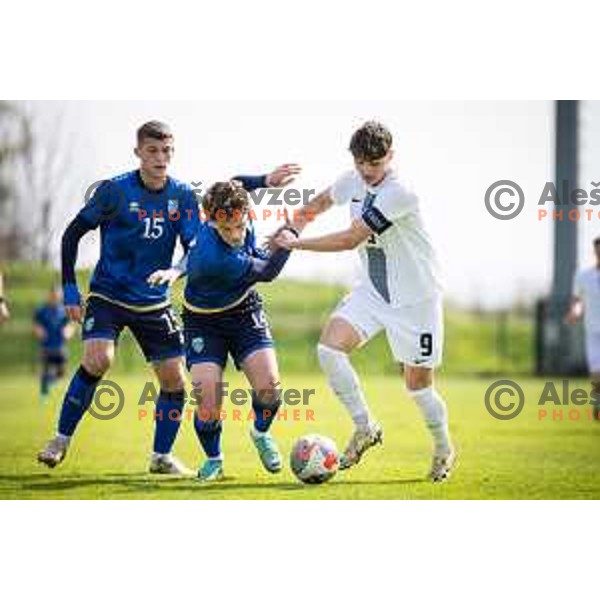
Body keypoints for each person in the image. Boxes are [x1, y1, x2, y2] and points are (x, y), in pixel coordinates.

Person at [37, 119, 300, 473]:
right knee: (99, 358)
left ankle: (161, 457)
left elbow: (197, 242)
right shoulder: (114, 192)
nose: (161, 158)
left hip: (155, 301)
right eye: (153, 151)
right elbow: (72, 233)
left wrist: (176, 271)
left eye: (167, 151)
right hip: (109, 295)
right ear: (138, 153)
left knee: (175, 381)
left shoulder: (182, 196)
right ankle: (60, 439)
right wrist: (69, 285)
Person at [276, 121, 455, 483]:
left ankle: (443, 448)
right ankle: (365, 427)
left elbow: (350, 239)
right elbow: (320, 202)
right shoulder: (352, 179)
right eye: (361, 163)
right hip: (373, 291)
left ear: (391, 156)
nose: (368, 171)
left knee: (418, 386)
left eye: (375, 163)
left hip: (416, 299)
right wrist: (293, 226)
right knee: (329, 350)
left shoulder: (400, 192)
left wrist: (295, 245)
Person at [149, 181, 298, 481]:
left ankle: (259, 433)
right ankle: (214, 459)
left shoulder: (235, 210)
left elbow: (238, 183)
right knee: (207, 403)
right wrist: (289, 238)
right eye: (227, 229)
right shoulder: (215, 256)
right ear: (212, 221)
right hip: (203, 323)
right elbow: (268, 271)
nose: (235, 235)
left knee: (269, 388)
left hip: (245, 313)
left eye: (240, 226)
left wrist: (265, 179)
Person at [565, 236, 600, 420]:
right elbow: (577, 302)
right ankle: (597, 404)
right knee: (596, 374)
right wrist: (575, 313)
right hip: (593, 332)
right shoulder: (583, 276)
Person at [33, 286, 75, 403]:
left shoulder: (64, 311)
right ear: (49, 295)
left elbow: (71, 325)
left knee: (62, 373)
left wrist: (68, 331)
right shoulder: (42, 310)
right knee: (45, 371)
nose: (55, 297)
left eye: (57, 295)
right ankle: (44, 395)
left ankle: (48, 383)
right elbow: (36, 324)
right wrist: (38, 330)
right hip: (46, 347)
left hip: (60, 347)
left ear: (60, 296)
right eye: (53, 295)